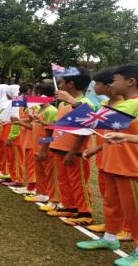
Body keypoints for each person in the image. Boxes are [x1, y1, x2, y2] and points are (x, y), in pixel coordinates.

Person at [76, 64, 138, 266]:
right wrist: (96, 149)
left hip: (128, 166)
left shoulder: (135, 103)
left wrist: (74, 105)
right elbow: (112, 131)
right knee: (111, 204)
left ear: (130, 82)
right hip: (112, 164)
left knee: (135, 209)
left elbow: (103, 119)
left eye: (114, 80)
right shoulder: (123, 102)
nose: (111, 85)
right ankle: (110, 238)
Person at [47, 68, 94, 227]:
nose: (59, 85)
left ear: (71, 84)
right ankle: (69, 206)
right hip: (59, 148)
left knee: (78, 182)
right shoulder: (62, 104)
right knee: (64, 180)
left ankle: (85, 212)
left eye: (62, 82)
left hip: (74, 152)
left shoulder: (85, 103)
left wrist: (73, 152)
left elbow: (86, 129)